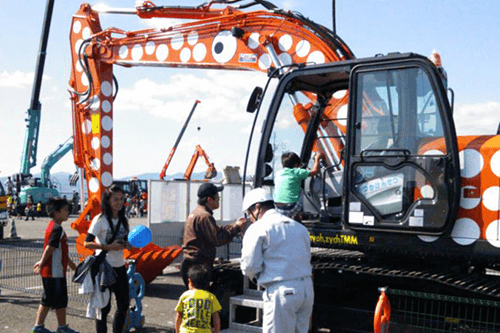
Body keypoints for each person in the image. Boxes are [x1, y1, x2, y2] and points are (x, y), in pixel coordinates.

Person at [240, 188, 314, 333]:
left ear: (257, 207)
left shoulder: (258, 228)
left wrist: (256, 275)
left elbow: (249, 266)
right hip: (306, 290)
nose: (249, 217)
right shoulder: (299, 227)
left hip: (282, 292)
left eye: (249, 213)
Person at [181, 182, 248, 289]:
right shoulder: (205, 216)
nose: (219, 200)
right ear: (209, 199)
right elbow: (218, 239)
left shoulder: (196, 213)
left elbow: (216, 231)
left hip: (190, 264)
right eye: (217, 197)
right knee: (202, 299)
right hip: (198, 266)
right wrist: (237, 228)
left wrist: (234, 225)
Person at [84, 185, 131, 333]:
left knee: (123, 304)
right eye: (115, 199)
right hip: (104, 267)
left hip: (120, 266)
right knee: (103, 307)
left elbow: (126, 239)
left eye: (121, 199)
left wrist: (128, 244)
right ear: (108, 201)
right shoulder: (100, 219)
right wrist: (108, 247)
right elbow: (87, 243)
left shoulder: (124, 219)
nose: (119, 202)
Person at [31, 197, 79, 333]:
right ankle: (61, 327)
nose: (68, 212)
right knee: (59, 299)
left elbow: (59, 251)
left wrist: (72, 265)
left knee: (48, 298)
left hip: (52, 270)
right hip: (55, 271)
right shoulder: (57, 229)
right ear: (57, 212)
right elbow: (50, 248)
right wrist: (41, 262)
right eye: (65, 209)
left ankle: (39, 326)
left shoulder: (52, 227)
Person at [274, 151, 322, 218]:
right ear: (296, 165)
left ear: (282, 164)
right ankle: (299, 215)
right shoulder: (297, 172)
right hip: (291, 208)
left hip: (278, 208)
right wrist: (317, 159)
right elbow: (315, 171)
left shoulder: (278, 173)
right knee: (301, 190)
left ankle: (295, 216)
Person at [175, 265, 221, 333]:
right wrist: (217, 331)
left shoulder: (185, 295)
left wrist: (177, 331)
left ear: (190, 281)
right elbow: (216, 317)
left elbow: (179, 316)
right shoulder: (211, 297)